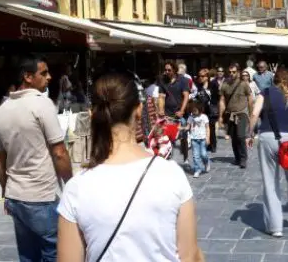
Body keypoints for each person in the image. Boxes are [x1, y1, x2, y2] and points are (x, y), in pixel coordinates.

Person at [57, 72, 202, 262]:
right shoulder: (172, 175)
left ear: (92, 114)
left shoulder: (76, 189)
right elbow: (190, 257)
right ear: (139, 109)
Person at [0, 56, 73, 262]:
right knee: (53, 252)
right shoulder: (41, 104)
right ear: (27, 77)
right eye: (43, 73)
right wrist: (71, 185)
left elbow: (0, 160)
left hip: (16, 196)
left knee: (27, 255)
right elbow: (59, 151)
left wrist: (6, 193)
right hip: (41, 195)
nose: (49, 77)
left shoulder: (0, 112)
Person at [247, 67, 288, 237]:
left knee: (270, 182)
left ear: (274, 78)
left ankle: (275, 227)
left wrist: (250, 133)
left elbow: (254, 114)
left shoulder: (265, 93)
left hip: (268, 137)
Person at [219, 63, 253, 168]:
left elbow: (250, 99)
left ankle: (243, 159)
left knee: (241, 136)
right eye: (229, 72)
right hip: (230, 115)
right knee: (233, 138)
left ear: (238, 72)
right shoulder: (225, 84)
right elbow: (222, 100)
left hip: (241, 113)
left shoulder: (243, 84)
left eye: (233, 72)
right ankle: (237, 158)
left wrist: (251, 114)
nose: (231, 74)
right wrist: (220, 116)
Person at [159, 60, 191, 165]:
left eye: (169, 70)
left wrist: (182, 110)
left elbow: (186, 96)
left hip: (181, 113)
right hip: (169, 114)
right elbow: (161, 97)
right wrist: (160, 109)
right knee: (169, 137)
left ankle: (185, 156)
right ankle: (170, 159)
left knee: (183, 137)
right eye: (165, 70)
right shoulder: (163, 80)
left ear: (174, 70)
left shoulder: (183, 80)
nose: (167, 72)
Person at [195, 68, 219, 153]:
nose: (200, 78)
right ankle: (206, 144)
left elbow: (217, 97)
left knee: (211, 128)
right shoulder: (198, 86)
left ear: (207, 77)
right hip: (202, 110)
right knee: (203, 127)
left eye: (202, 76)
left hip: (211, 110)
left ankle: (213, 145)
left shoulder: (213, 85)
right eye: (199, 76)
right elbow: (196, 98)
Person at [187, 101, 210, 178]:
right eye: (192, 110)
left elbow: (207, 128)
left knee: (203, 154)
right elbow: (188, 127)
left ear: (200, 109)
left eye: (195, 110)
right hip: (194, 139)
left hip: (203, 138)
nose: (193, 112)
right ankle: (197, 169)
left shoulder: (204, 117)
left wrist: (208, 137)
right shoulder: (190, 117)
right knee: (195, 155)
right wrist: (181, 128)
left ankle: (206, 163)